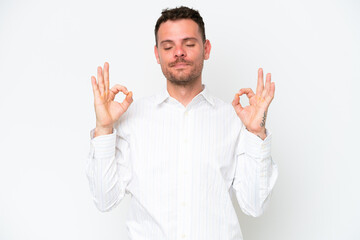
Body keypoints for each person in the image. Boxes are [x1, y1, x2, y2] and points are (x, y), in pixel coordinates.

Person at [86, 6, 278, 240]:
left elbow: (255, 206)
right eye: (168, 46)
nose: (179, 53)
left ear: (206, 49)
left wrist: (256, 133)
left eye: (189, 44)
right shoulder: (132, 119)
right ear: (157, 54)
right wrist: (104, 129)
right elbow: (105, 200)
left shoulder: (234, 120)